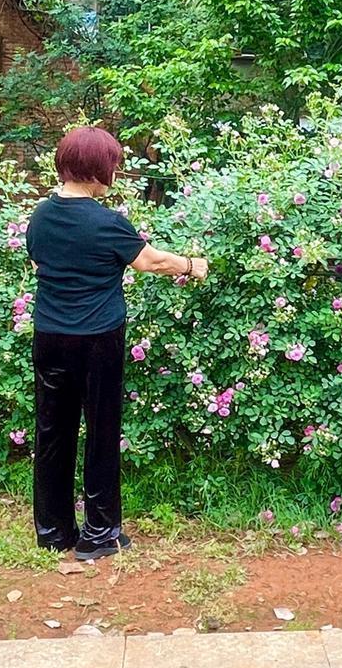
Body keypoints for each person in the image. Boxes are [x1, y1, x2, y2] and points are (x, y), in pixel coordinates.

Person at [25, 126, 208, 559]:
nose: (115, 173)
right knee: (101, 432)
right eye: (113, 166)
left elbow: (37, 262)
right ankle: (99, 535)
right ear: (97, 170)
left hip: (49, 336)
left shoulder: (40, 215)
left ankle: (53, 532)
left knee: (52, 433)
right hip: (96, 341)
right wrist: (192, 264)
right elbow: (151, 262)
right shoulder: (107, 223)